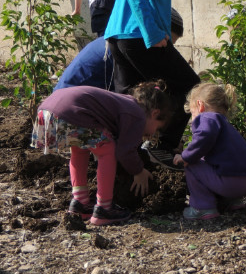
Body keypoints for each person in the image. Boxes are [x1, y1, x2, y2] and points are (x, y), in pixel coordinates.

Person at [105, 0, 211, 170]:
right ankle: (162, 148)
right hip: (140, 35)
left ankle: (116, 153)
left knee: (127, 99)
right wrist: (153, 32)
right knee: (188, 84)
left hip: (119, 33)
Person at [32, 81, 174, 226]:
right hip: (71, 111)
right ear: (155, 113)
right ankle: (104, 209)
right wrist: (138, 171)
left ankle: (80, 203)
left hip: (48, 108)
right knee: (107, 149)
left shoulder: (123, 103)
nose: (152, 134)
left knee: (80, 148)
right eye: (156, 128)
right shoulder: (138, 115)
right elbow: (125, 152)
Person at [173, 82, 246, 220]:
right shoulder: (224, 124)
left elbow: (204, 137)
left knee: (192, 164)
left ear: (200, 105)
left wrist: (186, 156)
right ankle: (232, 201)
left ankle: (202, 207)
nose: (193, 119)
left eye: (192, 114)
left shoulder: (206, 117)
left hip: (231, 184)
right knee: (213, 162)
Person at [54, 7, 185, 92]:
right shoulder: (129, 49)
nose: (164, 50)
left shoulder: (121, 39)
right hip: (71, 111)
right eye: (165, 43)